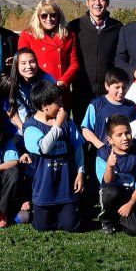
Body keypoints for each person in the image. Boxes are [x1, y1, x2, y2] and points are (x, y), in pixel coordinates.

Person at [23, 80, 85, 232]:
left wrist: (80, 172)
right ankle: (29, 213)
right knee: (42, 226)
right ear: (45, 106)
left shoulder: (67, 123)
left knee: (71, 226)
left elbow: (78, 148)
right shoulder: (30, 127)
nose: (62, 106)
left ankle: (68, 213)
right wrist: (57, 125)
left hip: (66, 185)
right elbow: (44, 148)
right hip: (44, 188)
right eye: (58, 102)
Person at [67, 0, 123, 123]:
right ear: (87, 2)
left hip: (108, 92)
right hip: (81, 92)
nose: (97, 3)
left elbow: (120, 57)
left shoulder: (117, 27)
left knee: (107, 130)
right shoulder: (75, 26)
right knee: (82, 131)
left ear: (107, 3)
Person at [18, 0, 80, 108]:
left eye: (53, 15)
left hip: (60, 89)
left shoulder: (68, 36)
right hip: (36, 90)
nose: (49, 19)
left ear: (59, 16)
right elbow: (23, 62)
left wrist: (63, 81)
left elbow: (74, 64)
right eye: (44, 16)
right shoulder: (28, 35)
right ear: (38, 17)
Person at [96, 115, 136, 236]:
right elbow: (106, 183)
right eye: (119, 135)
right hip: (113, 192)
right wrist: (110, 166)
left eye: (127, 133)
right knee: (109, 191)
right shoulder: (103, 153)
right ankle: (107, 221)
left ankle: (120, 218)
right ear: (110, 139)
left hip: (131, 196)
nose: (125, 138)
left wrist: (130, 204)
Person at [81, 67, 136, 149]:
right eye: (117, 87)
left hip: (126, 154)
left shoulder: (131, 107)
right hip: (102, 154)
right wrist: (102, 147)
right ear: (107, 86)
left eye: (124, 87)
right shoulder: (97, 104)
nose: (121, 91)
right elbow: (86, 130)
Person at [1, 48, 55, 135]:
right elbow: (10, 110)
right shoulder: (9, 84)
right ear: (16, 65)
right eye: (23, 63)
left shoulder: (47, 80)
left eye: (32, 62)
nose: (29, 66)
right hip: (19, 128)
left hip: (44, 125)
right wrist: (24, 130)